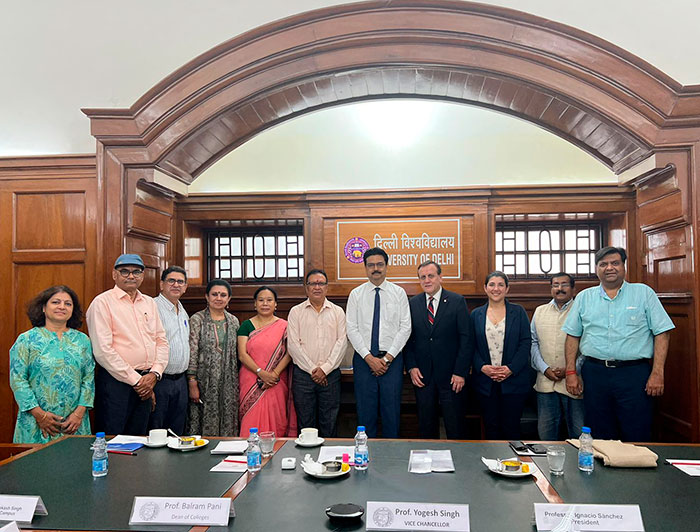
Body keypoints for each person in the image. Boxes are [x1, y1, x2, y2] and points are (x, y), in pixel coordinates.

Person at [564, 246, 674, 441]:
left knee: (636, 430)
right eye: (603, 264)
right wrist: (571, 373)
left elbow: (662, 333)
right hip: (595, 373)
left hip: (634, 374)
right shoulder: (584, 297)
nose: (609, 268)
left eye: (615, 263)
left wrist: (657, 372)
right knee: (598, 432)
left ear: (624, 266)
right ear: (596, 268)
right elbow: (572, 336)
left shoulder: (643, 293)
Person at [86, 253, 169, 435]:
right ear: (114, 274)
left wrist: (155, 373)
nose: (131, 276)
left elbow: (161, 341)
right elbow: (103, 351)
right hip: (117, 384)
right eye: (124, 271)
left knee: (139, 439)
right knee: (113, 440)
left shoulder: (149, 302)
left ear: (142, 275)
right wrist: (137, 381)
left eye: (136, 272)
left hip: (147, 383)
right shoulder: (102, 303)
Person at [9, 286, 94, 443]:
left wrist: (79, 413)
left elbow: (88, 378)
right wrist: (40, 415)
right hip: (35, 423)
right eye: (55, 302)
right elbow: (18, 380)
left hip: (74, 424)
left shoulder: (83, 340)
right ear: (43, 307)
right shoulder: (26, 339)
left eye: (68, 304)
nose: (62, 307)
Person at [346, 247, 411, 438]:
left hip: (392, 361)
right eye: (371, 265)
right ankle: (365, 453)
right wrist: (369, 358)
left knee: (392, 413)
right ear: (365, 268)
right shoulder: (356, 294)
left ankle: (391, 454)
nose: (376, 269)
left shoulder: (398, 293)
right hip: (364, 361)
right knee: (365, 414)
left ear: (386, 266)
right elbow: (352, 329)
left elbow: (405, 327)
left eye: (380, 264)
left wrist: (387, 358)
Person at [404, 260, 473, 439]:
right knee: (426, 427)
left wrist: (460, 372)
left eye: (431, 276)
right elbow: (407, 339)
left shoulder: (457, 301)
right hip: (423, 376)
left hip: (452, 377)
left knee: (455, 426)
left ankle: (458, 456)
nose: (427, 280)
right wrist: (411, 367)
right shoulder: (413, 303)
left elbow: (466, 339)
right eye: (423, 277)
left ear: (440, 277)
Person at [471, 271, 532, 440]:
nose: (496, 289)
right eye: (491, 284)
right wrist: (482, 367)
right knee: (491, 428)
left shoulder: (518, 312)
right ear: (485, 288)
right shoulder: (476, 314)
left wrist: (510, 369)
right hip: (485, 382)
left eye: (500, 285)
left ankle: (512, 458)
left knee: (511, 429)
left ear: (507, 289)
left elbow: (525, 342)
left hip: (513, 381)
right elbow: (470, 346)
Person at [287, 269, 347, 437]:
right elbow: (293, 345)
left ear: (327, 287)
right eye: (313, 283)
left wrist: (325, 369)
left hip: (331, 375)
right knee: (306, 424)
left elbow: (341, 342)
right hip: (303, 376)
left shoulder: (337, 312)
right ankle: (308, 454)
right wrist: (313, 369)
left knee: (329, 422)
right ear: (306, 288)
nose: (317, 287)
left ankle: (328, 453)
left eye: (321, 283)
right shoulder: (296, 312)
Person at [530, 272, 584, 440]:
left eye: (564, 285)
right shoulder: (540, 311)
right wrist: (544, 369)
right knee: (546, 434)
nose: (560, 288)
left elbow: (588, 347)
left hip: (574, 382)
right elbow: (533, 343)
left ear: (573, 289)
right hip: (545, 382)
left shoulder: (581, 311)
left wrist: (571, 369)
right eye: (555, 285)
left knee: (578, 433)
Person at [238, 286, 297, 437]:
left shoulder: (285, 326)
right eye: (261, 300)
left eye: (269, 300)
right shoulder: (246, 325)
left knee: (276, 421)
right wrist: (261, 373)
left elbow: (290, 352)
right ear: (255, 304)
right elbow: (242, 355)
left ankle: (276, 451)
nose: (265, 303)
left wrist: (274, 374)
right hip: (251, 380)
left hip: (276, 381)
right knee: (250, 422)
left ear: (275, 304)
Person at [187, 279, 240, 437]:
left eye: (223, 295)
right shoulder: (197, 320)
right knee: (201, 418)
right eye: (214, 294)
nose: (218, 298)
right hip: (203, 381)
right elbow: (192, 350)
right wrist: (192, 381)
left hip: (229, 382)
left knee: (228, 417)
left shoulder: (233, 321)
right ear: (207, 296)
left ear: (229, 298)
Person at [151, 266, 190, 435]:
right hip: (159, 381)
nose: (176, 285)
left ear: (185, 287)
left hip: (180, 381)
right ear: (162, 284)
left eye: (180, 282)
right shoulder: (152, 306)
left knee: (177, 432)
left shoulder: (181, 309)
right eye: (171, 281)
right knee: (156, 430)